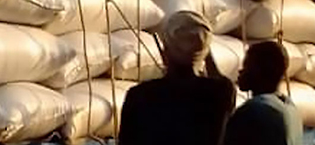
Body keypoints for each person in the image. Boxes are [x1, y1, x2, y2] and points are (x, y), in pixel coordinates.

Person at [118, 11, 237, 145]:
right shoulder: (220, 92)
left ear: (165, 52)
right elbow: (219, 79)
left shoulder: (140, 96)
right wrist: (201, 48)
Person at [222, 40, 303, 145]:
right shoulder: (291, 109)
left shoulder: (252, 112)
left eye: (247, 66)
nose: (241, 71)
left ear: (260, 71)